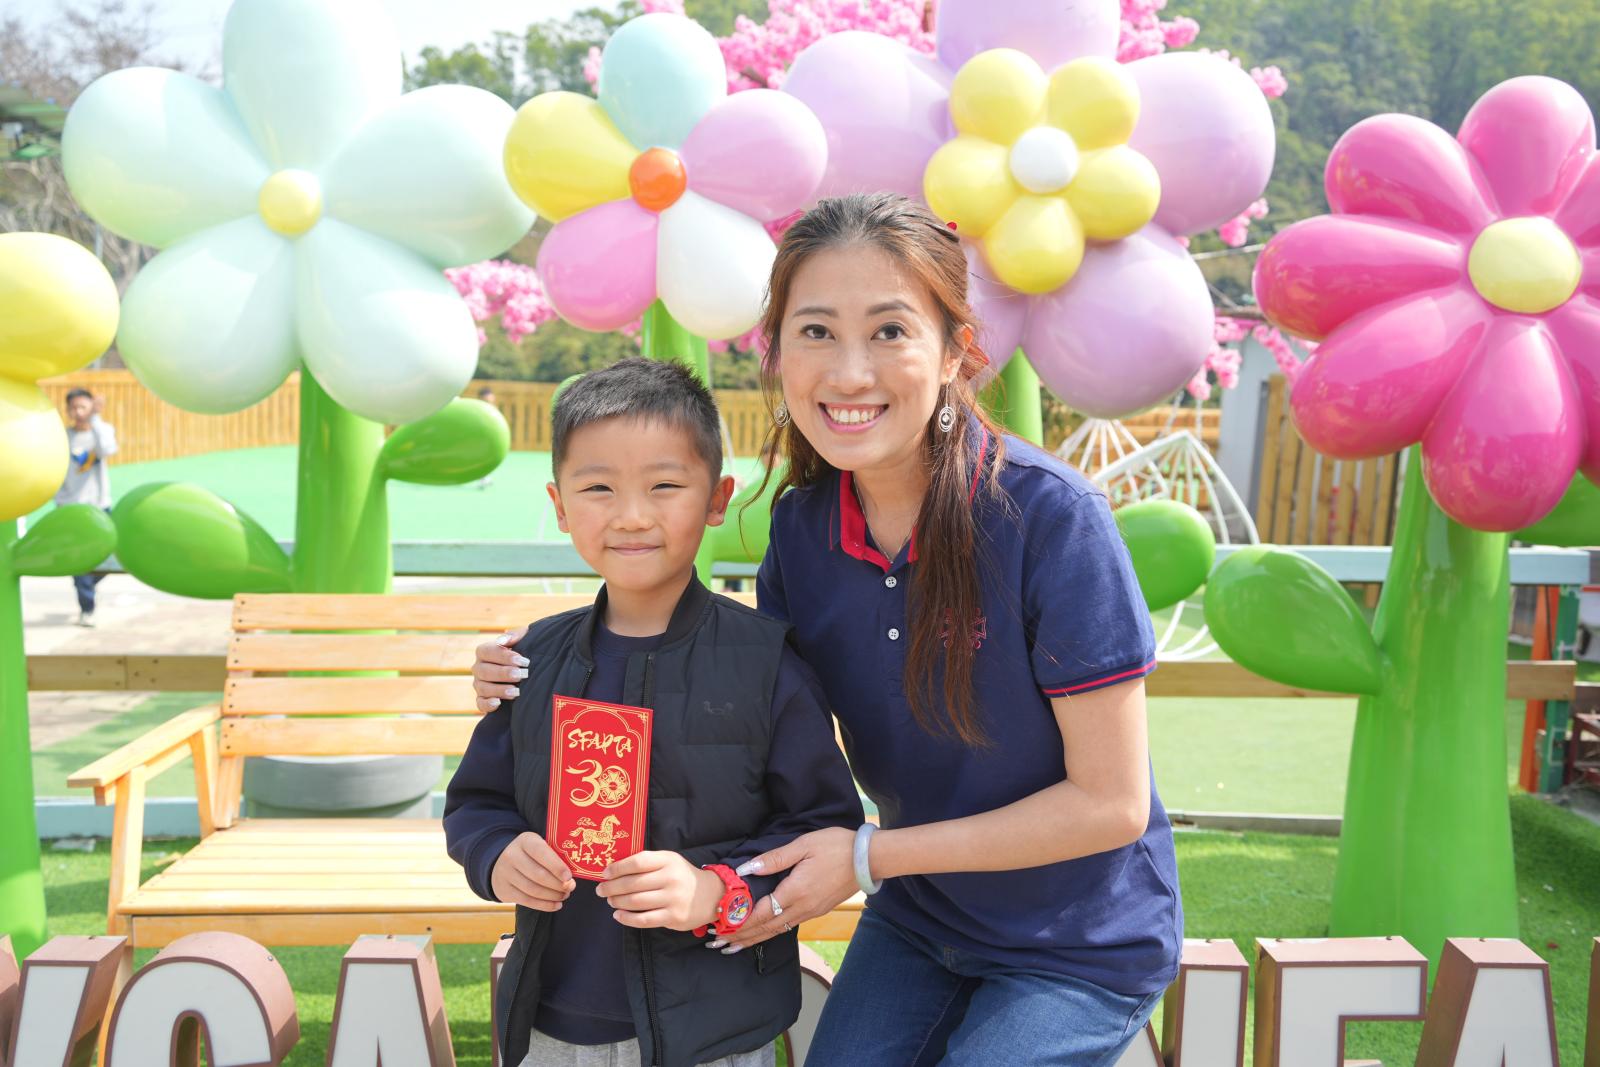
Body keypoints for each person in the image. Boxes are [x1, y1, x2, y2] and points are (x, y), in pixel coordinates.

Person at [474, 194, 1181, 1065]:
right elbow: (737, 718)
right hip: (922, 916)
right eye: (816, 331)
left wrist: (871, 855)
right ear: (777, 352)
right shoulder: (803, 532)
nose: (849, 373)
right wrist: (535, 675)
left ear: (955, 351)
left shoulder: (1051, 518)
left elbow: (1111, 804)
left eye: (889, 331)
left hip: (1079, 941)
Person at [445, 357, 862, 1067]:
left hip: (716, 1025)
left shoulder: (767, 663)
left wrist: (716, 890)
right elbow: (477, 804)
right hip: (551, 1018)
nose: (632, 515)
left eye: (664, 486)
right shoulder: (530, 660)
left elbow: (820, 831)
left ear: (717, 498)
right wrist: (496, 854)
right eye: (598, 488)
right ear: (559, 505)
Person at [55, 388, 118, 626]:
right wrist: (60, 500)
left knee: (111, 557)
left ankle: (88, 583)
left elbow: (107, 449)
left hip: (99, 507)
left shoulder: (102, 431)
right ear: (68, 410)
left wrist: (96, 419)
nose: (79, 412)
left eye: (83, 406)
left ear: (92, 407)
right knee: (78, 560)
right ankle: (87, 607)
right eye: (74, 407)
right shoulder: (62, 437)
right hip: (71, 508)